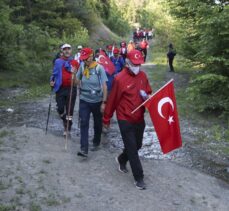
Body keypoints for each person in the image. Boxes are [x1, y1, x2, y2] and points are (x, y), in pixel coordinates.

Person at [103, 49, 152, 190]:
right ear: (128, 63)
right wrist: (106, 119)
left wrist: (147, 95)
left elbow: (149, 91)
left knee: (137, 145)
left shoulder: (143, 76)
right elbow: (112, 100)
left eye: (139, 64)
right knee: (132, 148)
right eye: (135, 64)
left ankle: (121, 159)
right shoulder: (119, 78)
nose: (137, 67)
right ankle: (139, 178)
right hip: (124, 118)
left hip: (139, 117)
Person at [76, 47, 108, 157]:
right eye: (83, 58)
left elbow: (104, 86)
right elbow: (77, 81)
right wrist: (74, 73)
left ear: (91, 56)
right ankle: (84, 148)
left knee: (97, 123)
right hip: (84, 99)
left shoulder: (99, 68)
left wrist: (104, 102)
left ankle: (96, 141)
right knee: (84, 122)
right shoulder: (81, 66)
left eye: (86, 58)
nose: (85, 60)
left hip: (97, 100)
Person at [50, 44, 79, 136]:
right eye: (65, 49)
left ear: (71, 51)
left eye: (68, 49)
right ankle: (64, 120)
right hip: (60, 89)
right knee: (60, 108)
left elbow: (78, 78)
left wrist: (75, 74)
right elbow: (53, 74)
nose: (67, 51)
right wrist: (51, 81)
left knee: (70, 110)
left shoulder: (75, 63)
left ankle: (67, 128)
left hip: (71, 88)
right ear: (62, 51)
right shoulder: (58, 62)